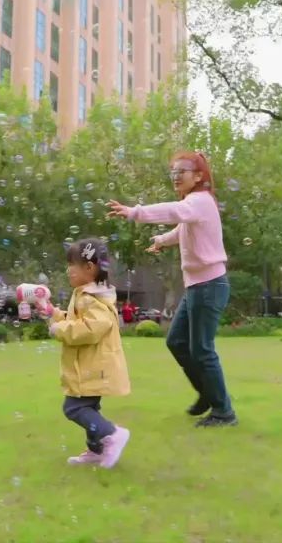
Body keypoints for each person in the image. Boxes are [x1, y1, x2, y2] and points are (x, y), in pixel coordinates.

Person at [107, 151, 237, 427]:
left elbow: (174, 212)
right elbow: (182, 229)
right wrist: (162, 240)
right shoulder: (195, 205)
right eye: (173, 172)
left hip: (209, 286)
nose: (175, 177)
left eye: (182, 172)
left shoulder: (199, 201)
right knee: (176, 341)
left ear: (198, 176)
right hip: (198, 287)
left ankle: (223, 412)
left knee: (202, 350)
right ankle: (208, 394)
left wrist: (134, 212)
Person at [45, 238, 132, 468]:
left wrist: (59, 329)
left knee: (74, 408)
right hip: (90, 365)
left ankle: (112, 434)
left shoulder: (93, 297)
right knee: (89, 407)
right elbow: (75, 320)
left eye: (71, 264)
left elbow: (92, 328)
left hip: (94, 366)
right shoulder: (86, 294)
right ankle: (97, 450)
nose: (68, 270)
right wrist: (53, 313)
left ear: (89, 268)